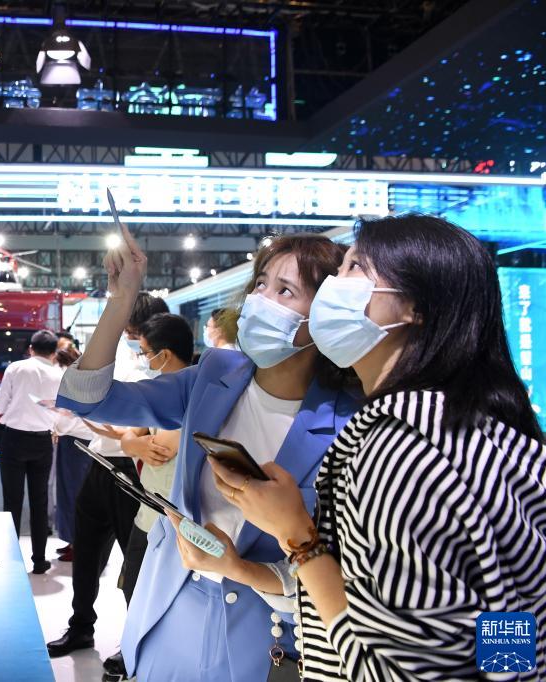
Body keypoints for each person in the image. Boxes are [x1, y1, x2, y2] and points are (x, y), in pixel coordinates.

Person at [214, 214, 546, 680]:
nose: (332, 287)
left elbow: (393, 672)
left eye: (354, 267)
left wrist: (297, 537)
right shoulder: (484, 432)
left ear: (415, 308)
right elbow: (506, 612)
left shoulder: (400, 454)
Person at [56, 228, 359, 681]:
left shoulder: (349, 419)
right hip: (167, 606)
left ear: (326, 313)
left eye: (285, 291)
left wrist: (242, 567)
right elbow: (88, 399)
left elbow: (342, 568)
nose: (262, 300)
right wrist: (120, 302)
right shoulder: (216, 373)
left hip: (267, 636)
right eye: (261, 283)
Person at [46, 292, 168, 666]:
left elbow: (136, 420)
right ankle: (81, 626)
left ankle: (135, 643)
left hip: (132, 472)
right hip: (99, 462)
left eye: (126, 323)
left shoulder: (154, 364)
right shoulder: (118, 355)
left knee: (136, 563)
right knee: (85, 553)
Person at [117, 312, 193, 606]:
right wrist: (133, 443)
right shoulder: (158, 391)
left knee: (155, 601)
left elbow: (159, 450)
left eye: (145, 352)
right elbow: (128, 438)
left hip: (174, 521)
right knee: (132, 591)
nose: (143, 359)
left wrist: (134, 442)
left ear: (165, 355)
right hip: (146, 513)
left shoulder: (192, 393)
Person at [0, 329, 64, 574]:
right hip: (43, 442)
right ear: (54, 352)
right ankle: (39, 561)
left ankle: (11, 560)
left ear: (30, 349)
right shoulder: (59, 375)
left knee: (11, 501)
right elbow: (61, 412)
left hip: (13, 439)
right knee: (40, 501)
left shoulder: (16, 368)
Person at [51, 338, 95, 561]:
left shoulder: (72, 381)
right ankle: (73, 541)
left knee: (74, 493)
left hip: (76, 441)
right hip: (77, 440)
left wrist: (56, 426)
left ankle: (79, 544)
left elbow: (69, 415)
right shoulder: (82, 378)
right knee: (70, 492)